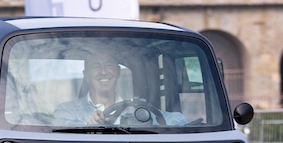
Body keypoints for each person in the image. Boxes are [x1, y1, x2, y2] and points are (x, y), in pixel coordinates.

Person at [54, 51, 187, 126]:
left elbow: (178, 120)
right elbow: (60, 127)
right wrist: (87, 124)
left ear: (118, 72)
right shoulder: (67, 110)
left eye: (109, 65)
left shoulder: (136, 109)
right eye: (96, 67)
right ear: (86, 76)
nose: (104, 72)